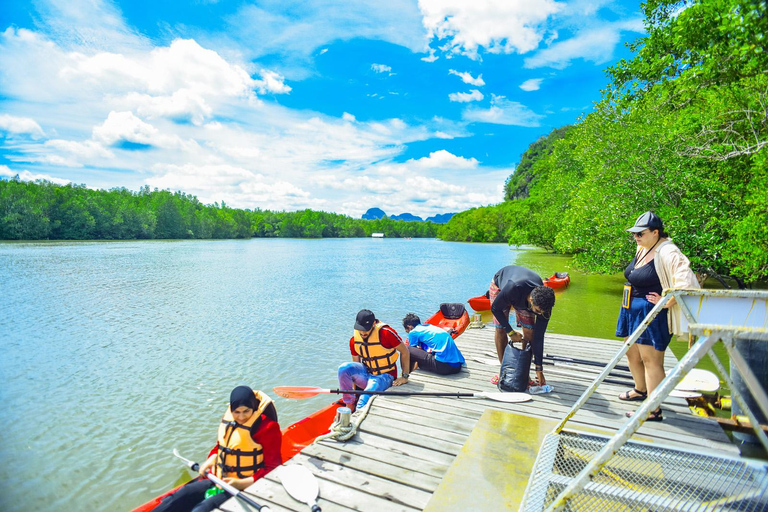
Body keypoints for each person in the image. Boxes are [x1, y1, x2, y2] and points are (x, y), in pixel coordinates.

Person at [617, 211, 700, 422]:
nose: (636, 237)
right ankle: (641, 389)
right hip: (630, 308)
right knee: (631, 353)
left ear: (656, 233)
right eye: (634, 234)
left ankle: (653, 409)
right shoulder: (643, 246)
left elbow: (688, 284)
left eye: (640, 233)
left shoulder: (669, 252)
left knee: (651, 360)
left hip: (650, 312)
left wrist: (667, 301)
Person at [154, 386, 282, 512]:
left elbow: (273, 467)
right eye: (236, 412)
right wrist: (210, 460)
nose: (241, 417)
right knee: (179, 497)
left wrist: (240, 484)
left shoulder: (268, 428)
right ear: (231, 409)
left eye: (246, 411)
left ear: (254, 408)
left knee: (201, 509)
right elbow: (220, 447)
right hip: (218, 478)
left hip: (244, 486)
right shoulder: (229, 421)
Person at [489, 265, 556, 386]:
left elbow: (539, 337)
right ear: (531, 300)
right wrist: (511, 332)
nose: (540, 314)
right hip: (501, 286)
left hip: (523, 296)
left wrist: (539, 369)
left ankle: (524, 372)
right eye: (538, 311)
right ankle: (503, 371)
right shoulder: (513, 288)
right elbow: (495, 309)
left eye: (542, 312)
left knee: (530, 332)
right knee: (500, 329)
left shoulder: (545, 306)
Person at [338, 309, 411, 412]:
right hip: (367, 375)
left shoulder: (386, 333)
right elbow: (356, 366)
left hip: (384, 376)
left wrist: (404, 376)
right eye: (360, 329)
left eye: (365, 329)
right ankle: (349, 404)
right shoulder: (354, 340)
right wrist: (353, 390)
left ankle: (356, 417)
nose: (362, 333)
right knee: (344, 368)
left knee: (363, 400)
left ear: (373, 324)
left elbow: (405, 352)